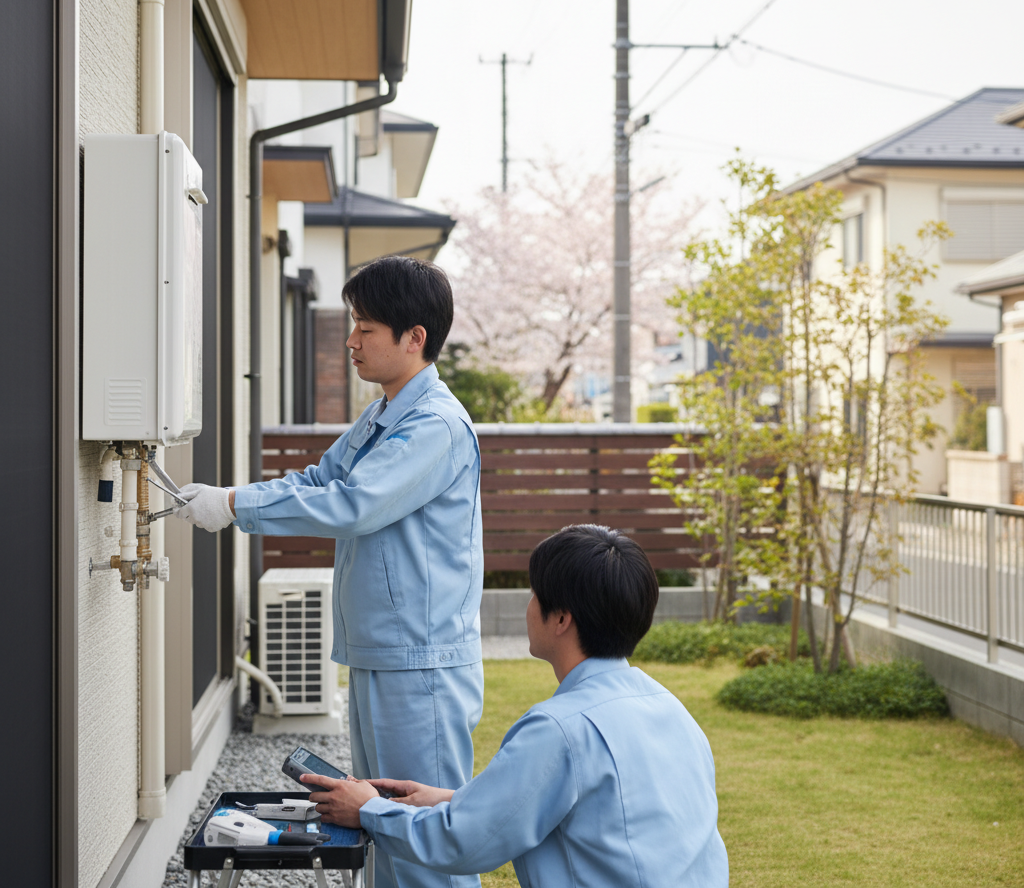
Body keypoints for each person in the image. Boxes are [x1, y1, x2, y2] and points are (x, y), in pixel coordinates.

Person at [174, 255, 484, 888]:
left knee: (422, 840)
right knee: (381, 825)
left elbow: (353, 504)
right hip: (384, 651)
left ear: (414, 338)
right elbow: (322, 479)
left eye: (366, 328)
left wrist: (232, 506)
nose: (351, 341)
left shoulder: (433, 426)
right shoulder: (383, 414)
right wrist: (232, 496)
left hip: (420, 661)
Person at [303, 525, 730, 888]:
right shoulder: (671, 708)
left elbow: (463, 842)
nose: (529, 606)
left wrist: (368, 810)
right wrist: (452, 799)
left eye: (534, 594)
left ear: (561, 619)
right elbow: (601, 812)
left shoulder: (560, 729)